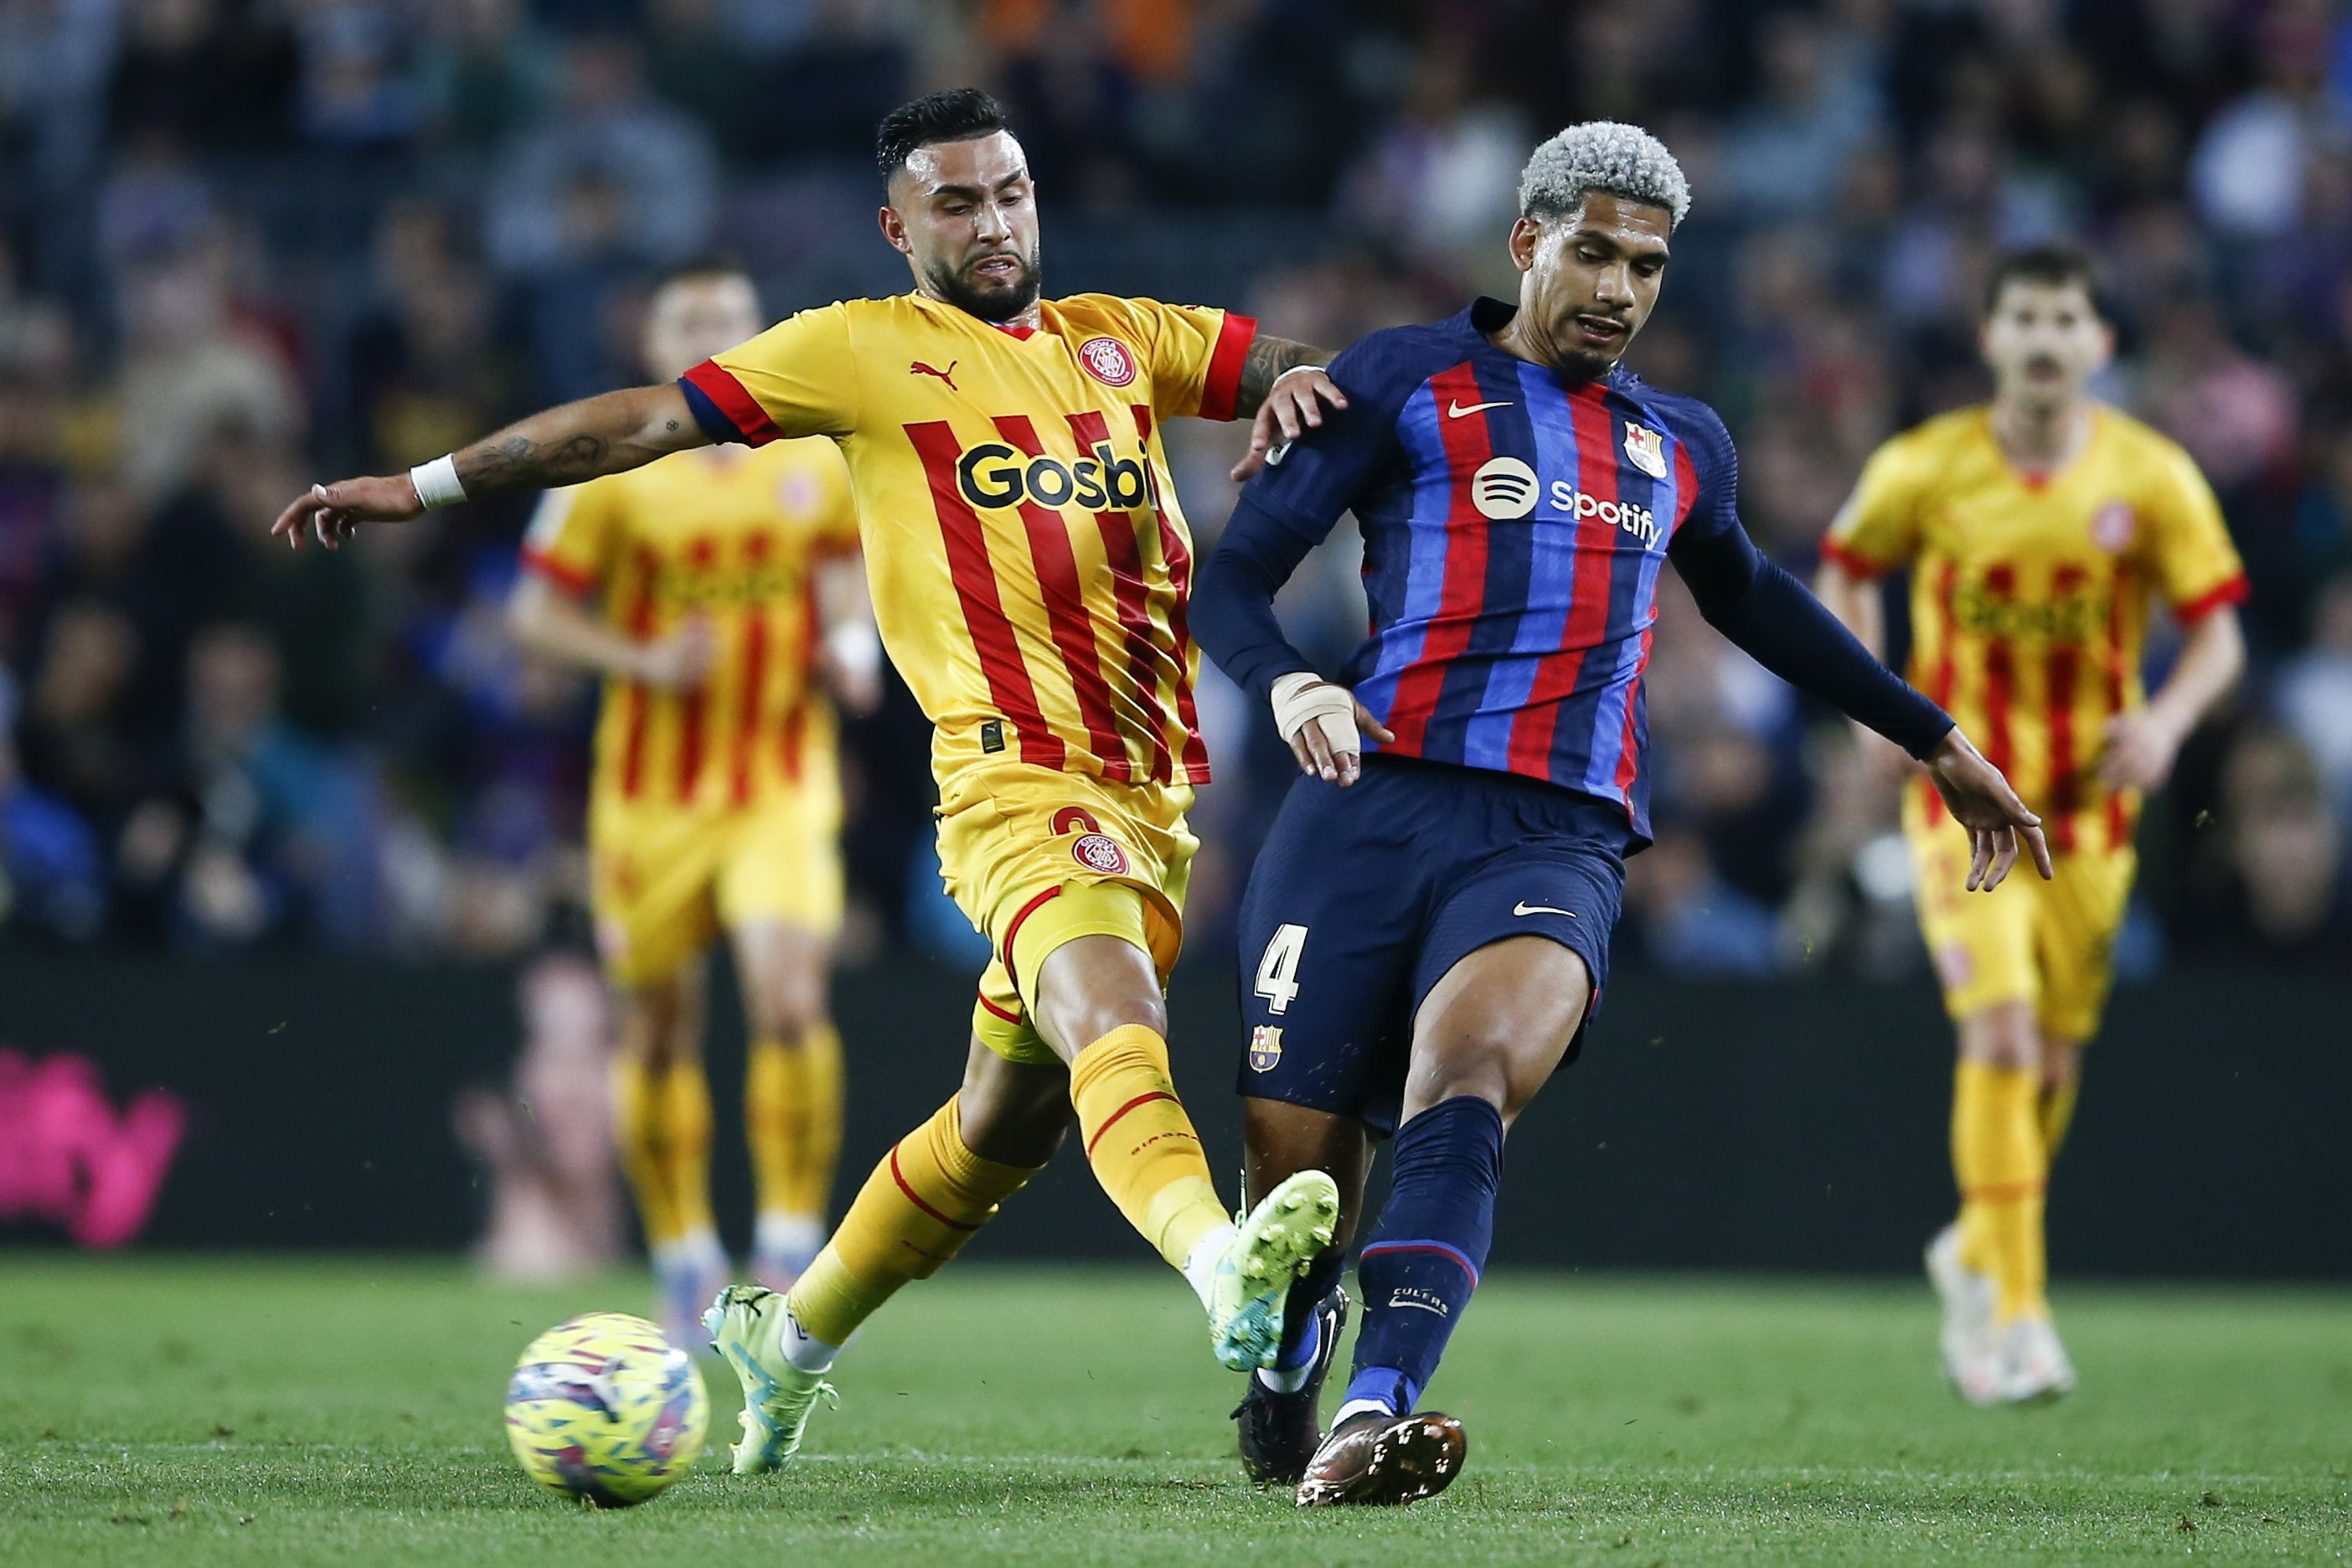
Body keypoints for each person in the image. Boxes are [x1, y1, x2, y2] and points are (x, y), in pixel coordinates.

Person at [271, 88, 1350, 1475]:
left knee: (992, 1134)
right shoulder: (858, 353)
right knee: (1117, 1021)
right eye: (955, 203)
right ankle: (1226, 1283)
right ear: (898, 227)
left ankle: (783, 1348)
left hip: (1154, 797)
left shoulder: (1121, 340)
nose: (993, 221)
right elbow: (638, 426)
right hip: (1016, 785)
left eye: (1009, 190)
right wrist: (415, 488)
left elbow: (1320, 375)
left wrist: (1310, 390)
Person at [1189, 121, 2050, 1507]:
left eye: (1647, 267)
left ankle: (1374, 1409)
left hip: (1557, 834)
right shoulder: (1401, 377)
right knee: (1295, 1187)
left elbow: (1759, 601)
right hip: (1362, 803)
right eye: (1593, 252)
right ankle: (1291, 1368)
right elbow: (1231, 582)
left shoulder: (1678, 440)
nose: (1618, 289)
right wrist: (1288, 682)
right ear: (1527, 242)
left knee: (1465, 1085)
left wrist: (1934, 739)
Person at [1814, 244, 2247, 1406]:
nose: (2046, 338)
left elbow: (2220, 631)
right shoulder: (1926, 466)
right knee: (2001, 1039)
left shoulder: (2151, 476)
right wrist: (1874, 705)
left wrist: (2166, 719)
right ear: (1992, 338)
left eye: (2067, 318)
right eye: (2025, 317)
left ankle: (1973, 1247)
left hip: (2095, 818)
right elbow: (1845, 570)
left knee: (2050, 1060)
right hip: (1964, 806)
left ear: (2101, 345)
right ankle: (2015, 1314)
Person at [503, 257, 879, 1344]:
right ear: (654, 342)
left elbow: (844, 571)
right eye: (690, 320)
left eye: (729, 319)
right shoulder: (610, 471)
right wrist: (645, 656)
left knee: (791, 1000)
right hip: (650, 799)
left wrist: (849, 645)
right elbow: (533, 617)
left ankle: (789, 1246)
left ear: (758, 334)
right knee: (661, 1033)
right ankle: (682, 1257)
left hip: (780, 778)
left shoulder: (809, 455)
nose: (712, 333)